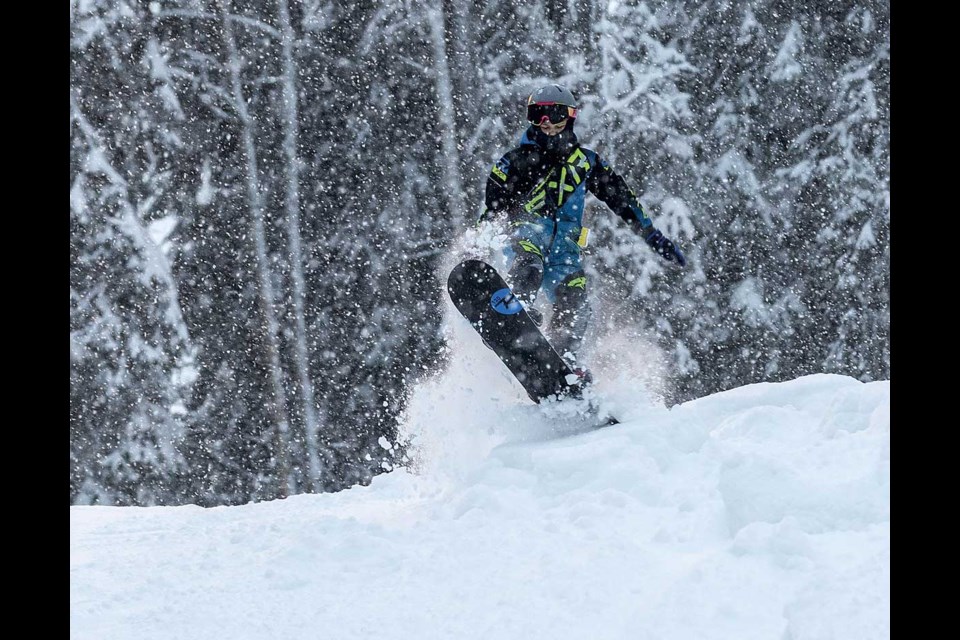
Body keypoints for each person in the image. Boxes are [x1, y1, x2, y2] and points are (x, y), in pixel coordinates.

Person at [477, 84, 686, 379]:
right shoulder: (516, 160)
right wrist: (480, 239)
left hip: (565, 249)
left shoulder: (586, 163)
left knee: (576, 300)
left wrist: (651, 235)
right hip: (528, 232)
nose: (546, 123)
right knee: (529, 264)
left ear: (570, 117)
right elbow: (494, 204)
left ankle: (564, 357)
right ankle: (518, 309)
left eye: (553, 114)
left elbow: (621, 198)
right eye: (537, 115)